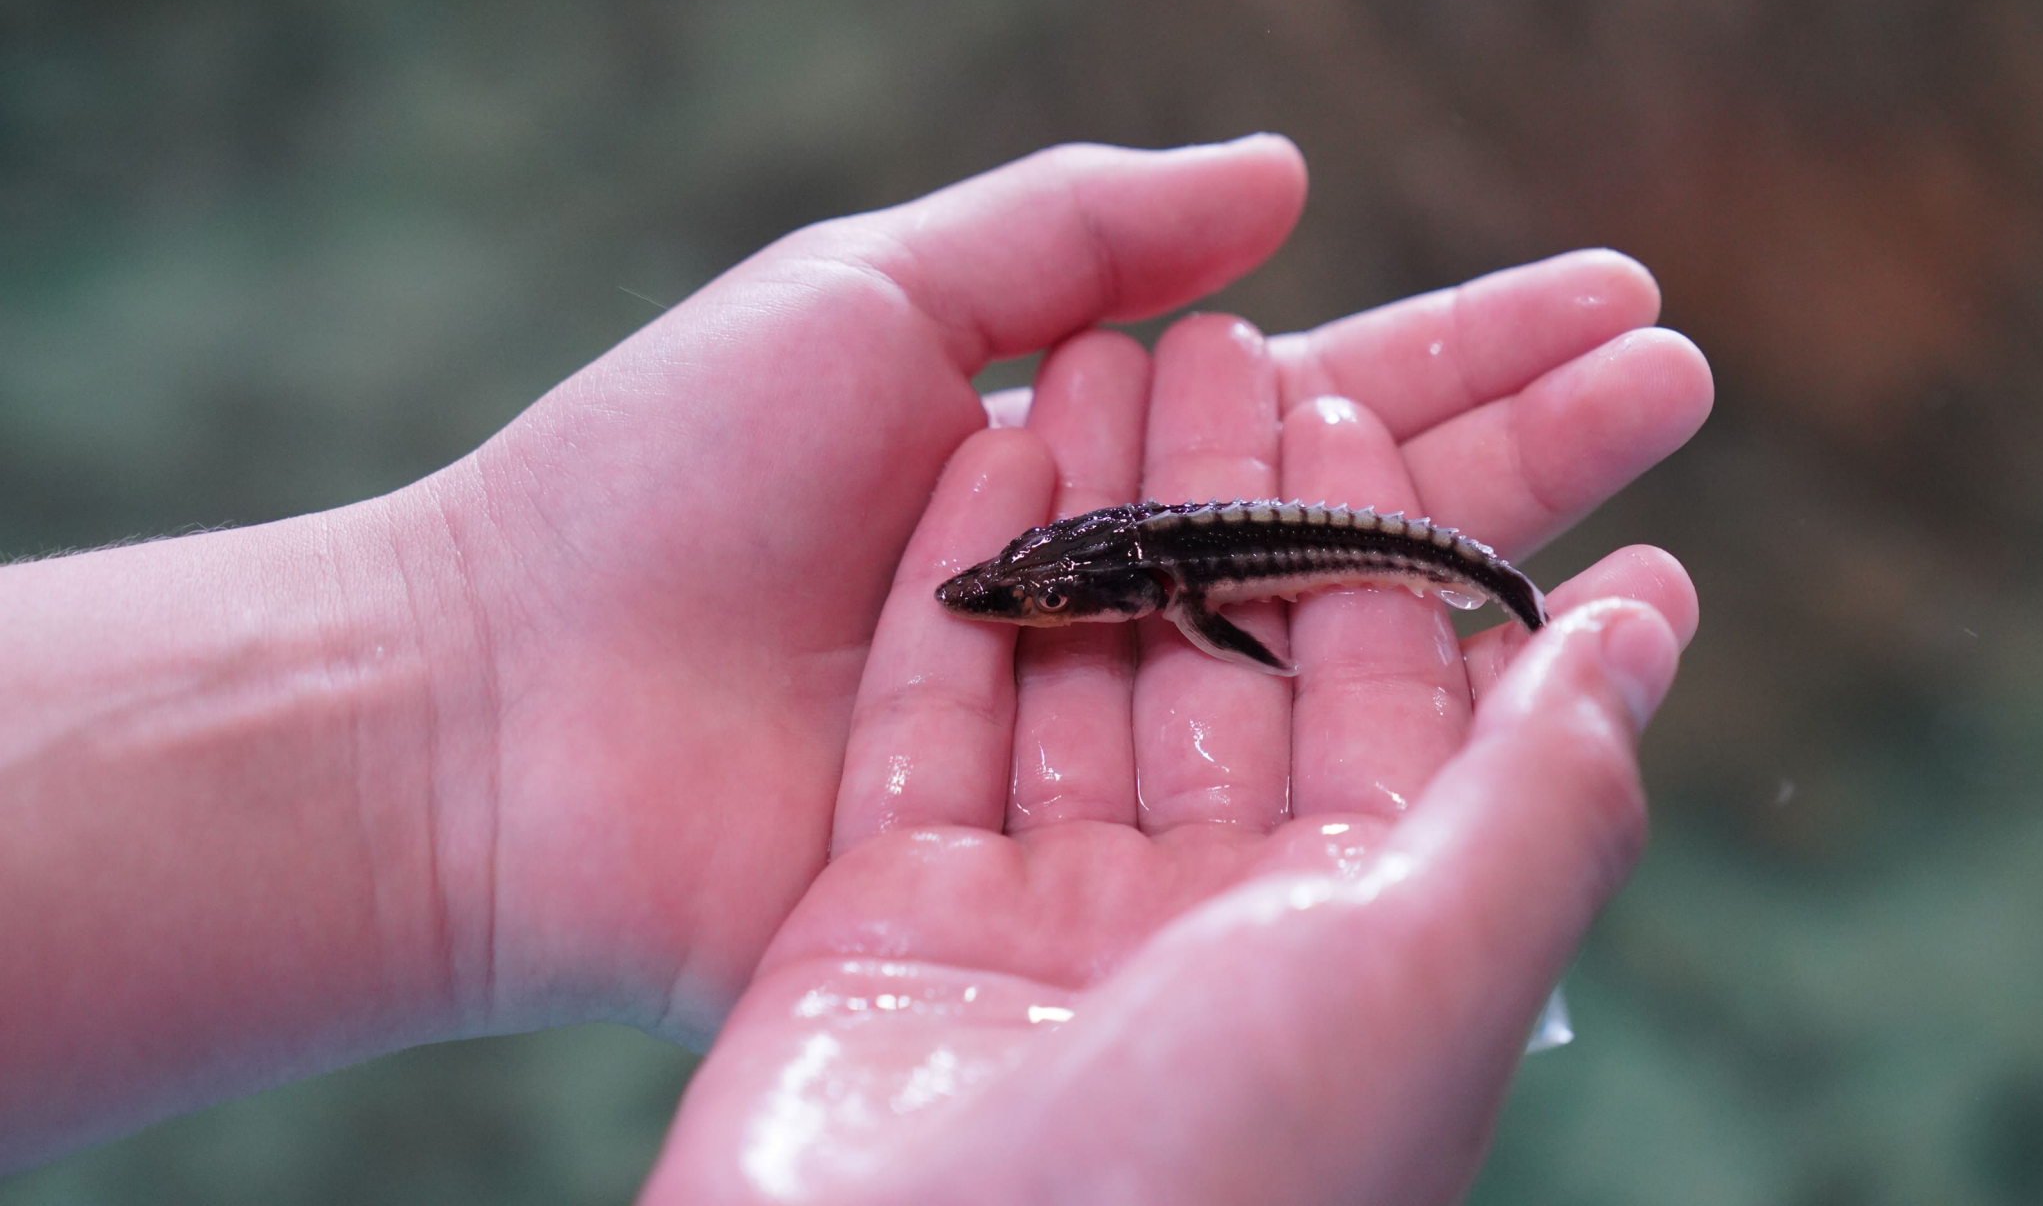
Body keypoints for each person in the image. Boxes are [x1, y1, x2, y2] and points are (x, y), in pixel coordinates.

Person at [0, 135, 1712, 1202]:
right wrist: (480, 643)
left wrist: (478, 670)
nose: (989, 605)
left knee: (1432, 551)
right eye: (1002, 600)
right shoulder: (1072, 581)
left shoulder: (1155, 580)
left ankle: (1488, 588)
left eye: (1006, 599)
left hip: (1255, 543)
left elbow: (1197, 600)